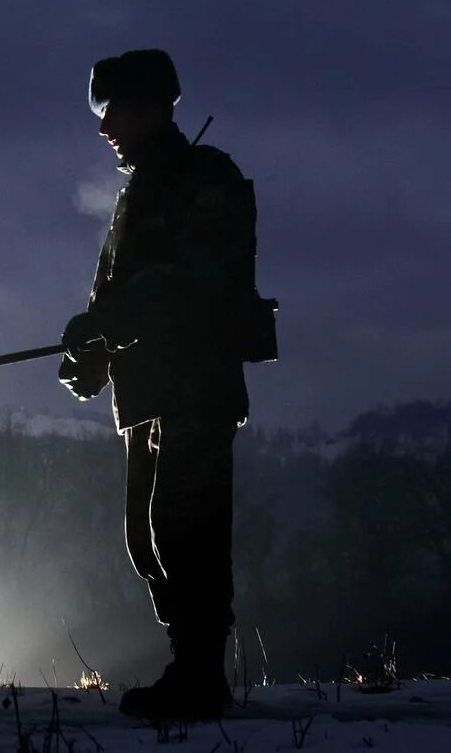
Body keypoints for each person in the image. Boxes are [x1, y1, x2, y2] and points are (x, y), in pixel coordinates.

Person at [58, 48, 270, 720]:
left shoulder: (209, 178)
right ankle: (191, 664)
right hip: (146, 394)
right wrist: (91, 356)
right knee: (148, 538)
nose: (103, 127)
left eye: (112, 110)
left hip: (196, 389)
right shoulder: (137, 196)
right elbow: (118, 303)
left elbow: (197, 286)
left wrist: (106, 322)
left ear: (152, 107)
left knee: (187, 530)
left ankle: (202, 675)